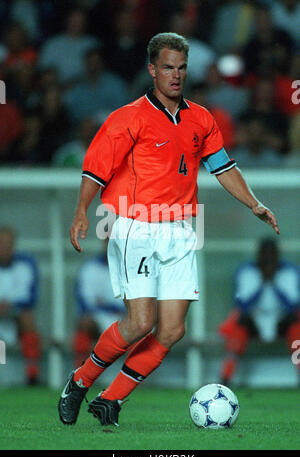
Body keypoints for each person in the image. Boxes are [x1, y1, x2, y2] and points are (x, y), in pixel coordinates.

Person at [58, 32, 280, 426]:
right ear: (152, 70)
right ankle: (80, 380)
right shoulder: (128, 117)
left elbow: (224, 167)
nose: (175, 75)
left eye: (180, 68)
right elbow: (96, 168)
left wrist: (254, 203)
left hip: (179, 229)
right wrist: (80, 211)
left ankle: (111, 400)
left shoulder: (202, 119)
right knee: (141, 322)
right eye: (167, 68)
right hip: (135, 225)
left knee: (173, 329)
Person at [219, 238, 300, 386]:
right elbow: (241, 304)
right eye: (265, 254)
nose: (268, 258)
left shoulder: (290, 271)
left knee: (296, 323)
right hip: (254, 319)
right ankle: (225, 378)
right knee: (239, 323)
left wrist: (274, 283)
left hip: (281, 319)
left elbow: (293, 305)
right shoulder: (246, 271)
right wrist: (262, 283)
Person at [72, 244, 126, 369]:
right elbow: (86, 302)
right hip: (99, 317)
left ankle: (136, 378)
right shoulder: (91, 268)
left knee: (142, 325)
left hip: (127, 318)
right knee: (85, 323)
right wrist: (112, 307)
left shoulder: (133, 267)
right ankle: (79, 374)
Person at [0, 227, 41, 385]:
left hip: (14, 315)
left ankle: (32, 375)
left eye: (7, 244)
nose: (4, 248)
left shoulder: (25, 265)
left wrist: (9, 305)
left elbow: (30, 297)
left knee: (27, 317)